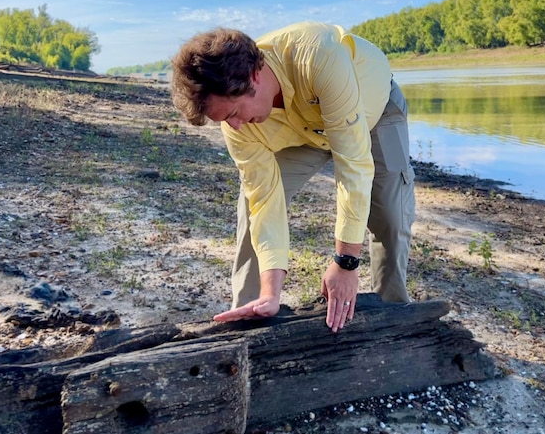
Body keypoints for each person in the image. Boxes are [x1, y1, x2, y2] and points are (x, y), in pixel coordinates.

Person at [171, 21, 416, 332]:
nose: (233, 127)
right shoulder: (238, 126)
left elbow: (352, 164)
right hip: (308, 134)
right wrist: (272, 292)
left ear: (253, 78)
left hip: (374, 115)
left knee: (391, 217)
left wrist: (345, 262)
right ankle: (251, 313)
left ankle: (396, 319)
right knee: (251, 208)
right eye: (224, 120)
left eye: (232, 114)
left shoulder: (318, 54)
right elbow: (264, 201)